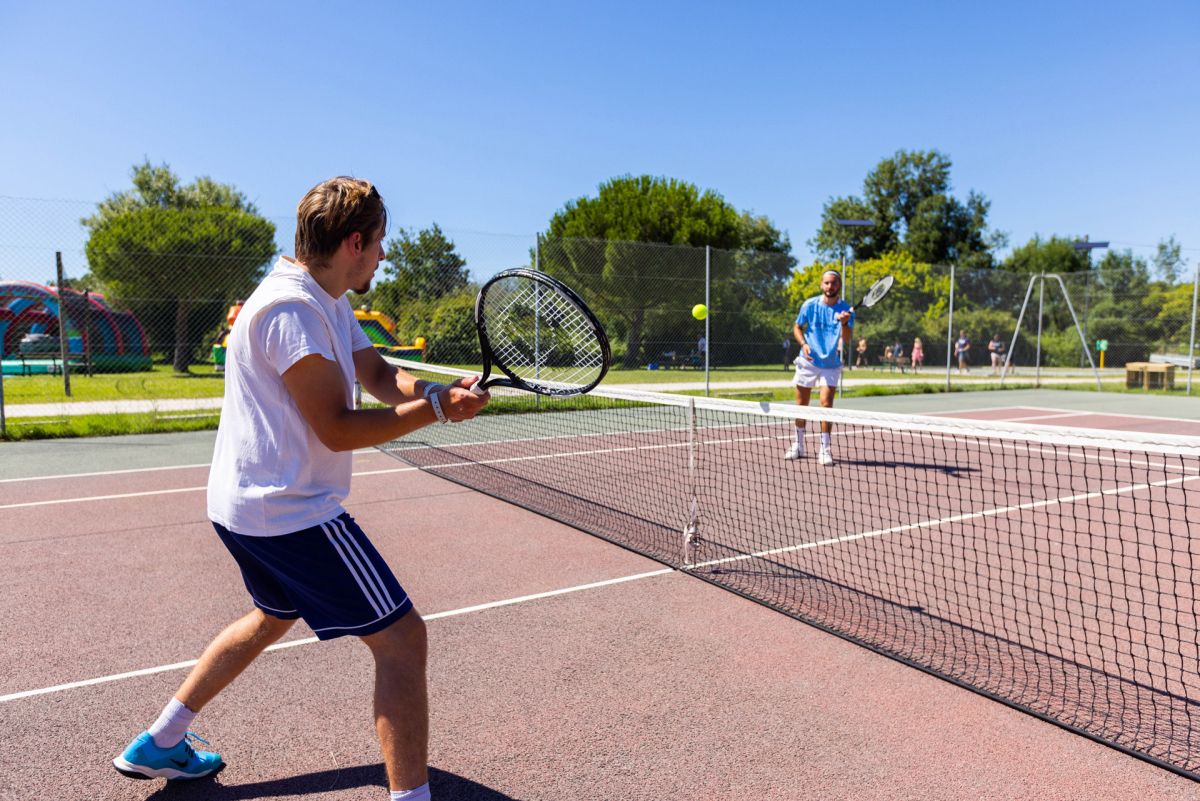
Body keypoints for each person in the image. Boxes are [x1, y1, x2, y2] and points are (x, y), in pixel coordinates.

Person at [111, 178, 489, 801]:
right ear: (355, 241)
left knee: (273, 614)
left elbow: (376, 373)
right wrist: (440, 414)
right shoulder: (291, 310)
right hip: (288, 510)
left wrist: (429, 394)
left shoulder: (327, 297)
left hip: (243, 505)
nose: (383, 257)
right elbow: (337, 429)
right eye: (380, 244)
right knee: (402, 640)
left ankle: (161, 742)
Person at [783, 269, 854, 466]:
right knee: (801, 405)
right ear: (822, 285)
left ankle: (824, 449)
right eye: (827, 283)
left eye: (834, 283)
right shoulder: (810, 305)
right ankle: (798, 445)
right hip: (808, 361)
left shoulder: (847, 310)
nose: (830, 286)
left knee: (826, 405)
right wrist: (804, 344)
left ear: (839, 285)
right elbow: (798, 327)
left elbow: (846, 339)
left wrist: (845, 323)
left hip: (830, 364)